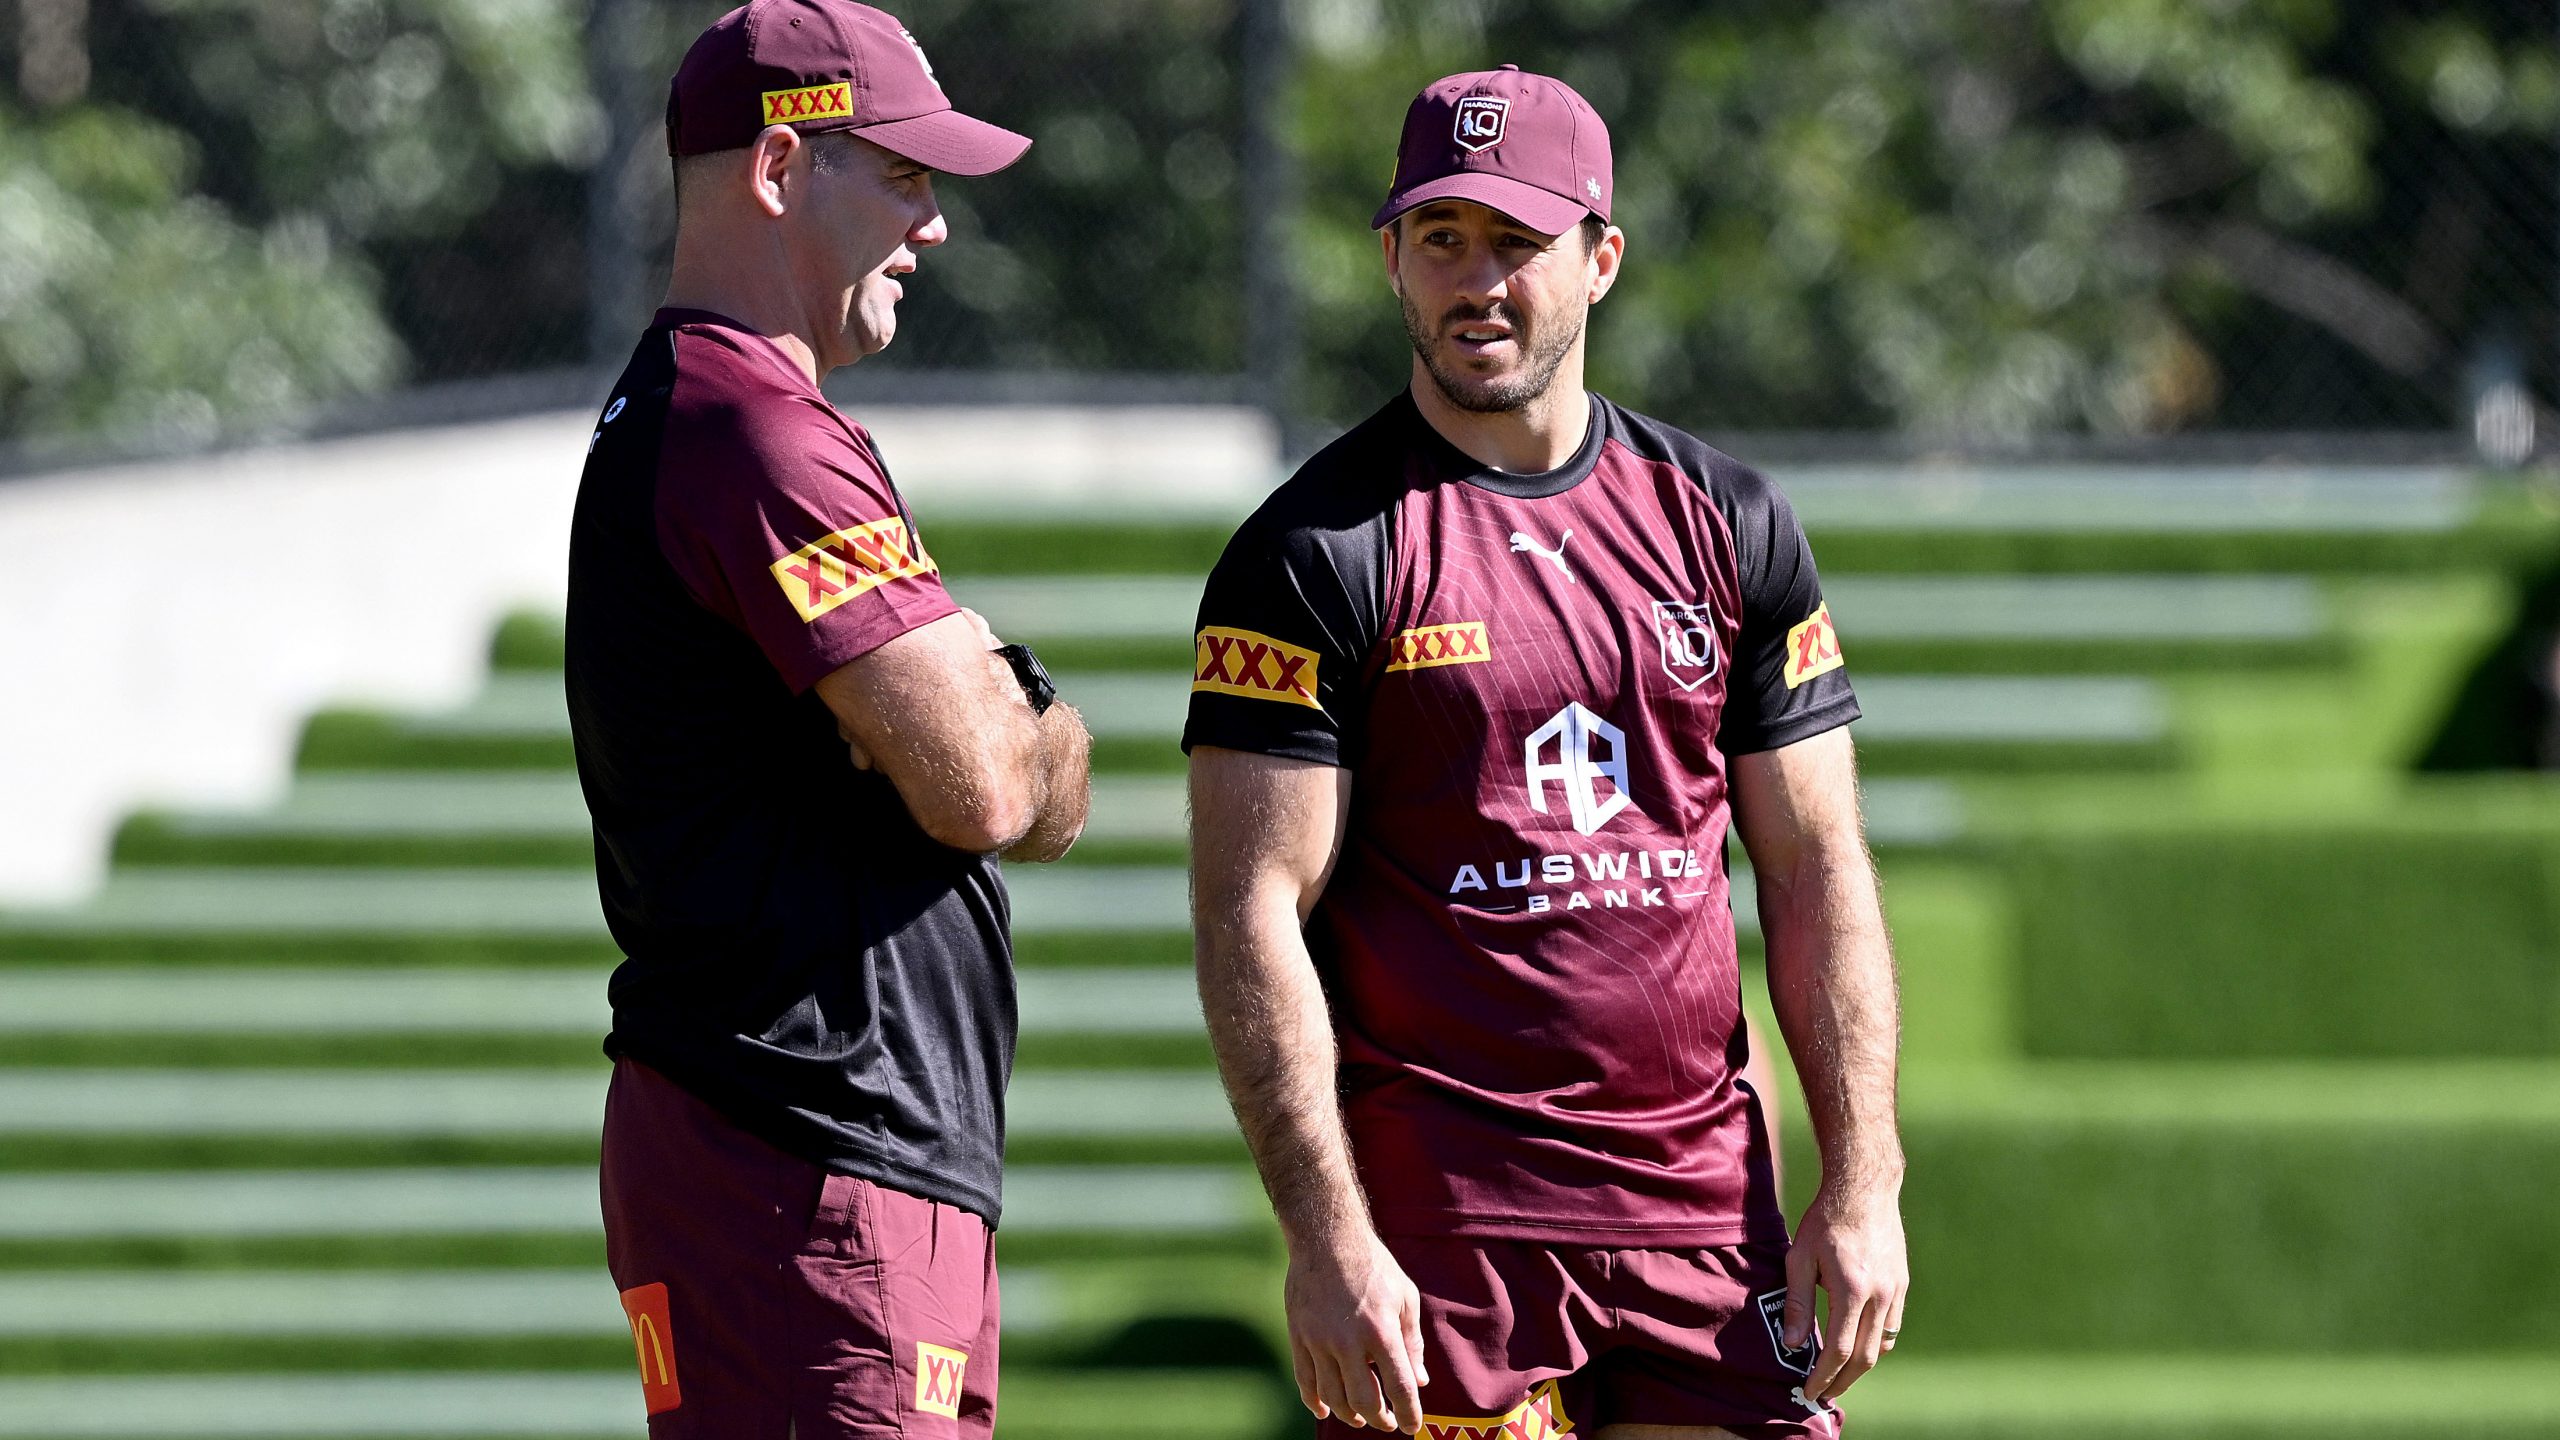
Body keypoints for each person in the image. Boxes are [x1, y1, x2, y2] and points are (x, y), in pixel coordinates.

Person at [1184, 65, 1905, 1440]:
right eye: (1440, 239)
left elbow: (1816, 864)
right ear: (1391, 256)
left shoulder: (1729, 522)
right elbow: (1249, 910)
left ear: (1601, 259)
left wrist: (1863, 1179)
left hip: (1704, 1217)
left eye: (1516, 242)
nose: (1477, 281)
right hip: (1446, 1227)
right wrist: (1327, 1237)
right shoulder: (1311, 554)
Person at [564, 3, 1090, 1435]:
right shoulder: (754, 430)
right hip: (805, 1156)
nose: (934, 226)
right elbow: (991, 789)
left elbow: (986, 766)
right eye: (905, 176)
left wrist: (993, 694)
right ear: (784, 168)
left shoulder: (723, 415)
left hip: (821, 1155)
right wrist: (1016, 696)